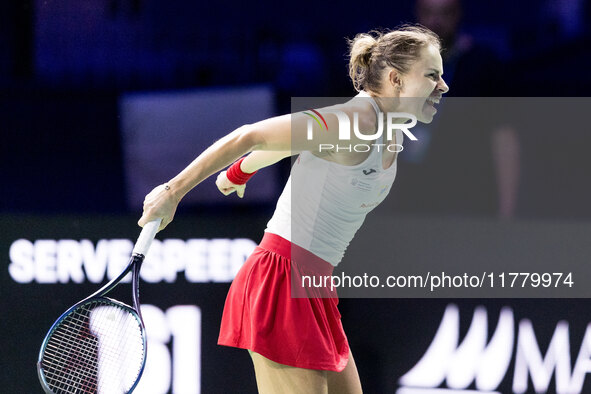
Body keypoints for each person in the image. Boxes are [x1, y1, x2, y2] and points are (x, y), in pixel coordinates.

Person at [138, 24, 448, 394]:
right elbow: (249, 134)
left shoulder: (389, 127)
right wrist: (173, 191)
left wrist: (241, 170)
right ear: (396, 79)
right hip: (282, 281)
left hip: (315, 285)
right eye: (432, 76)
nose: (443, 86)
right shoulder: (355, 121)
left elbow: (293, 143)